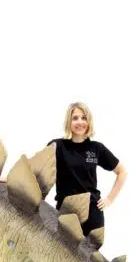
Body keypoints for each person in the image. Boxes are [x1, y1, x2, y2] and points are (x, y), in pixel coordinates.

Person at [47, 101, 127, 238]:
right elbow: (40, 170)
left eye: (84, 118)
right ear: (69, 122)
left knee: (90, 251)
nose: (80, 122)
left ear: (89, 121)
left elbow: (122, 172)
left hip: (92, 213)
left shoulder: (96, 148)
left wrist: (109, 199)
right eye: (75, 118)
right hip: (66, 213)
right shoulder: (57, 146)